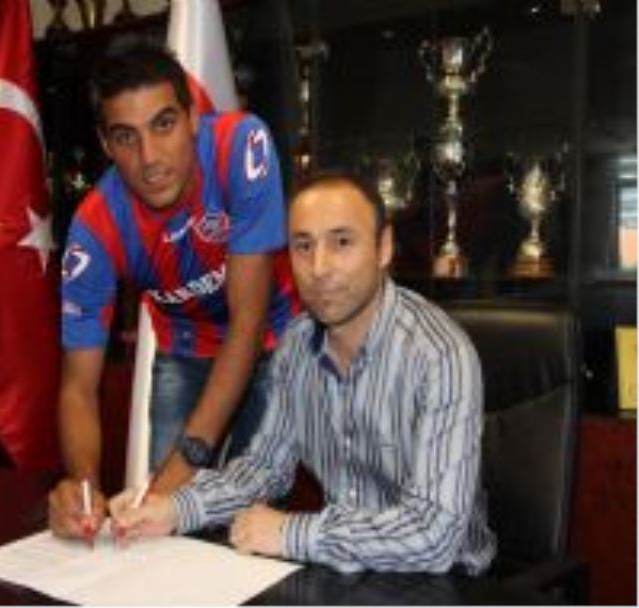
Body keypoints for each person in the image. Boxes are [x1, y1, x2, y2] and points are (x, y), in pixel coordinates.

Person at [110, 170, 497, 574]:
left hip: (447, 583)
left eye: (342, 242)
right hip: (343, 572)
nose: (319, 267)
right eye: (303, 246)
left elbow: (434, 536)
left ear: (383, 247)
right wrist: (174, 508)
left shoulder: (439, 355)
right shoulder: (296, 344)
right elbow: (264, 469)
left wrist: (290, 534)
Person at [48, 39, 299, 540]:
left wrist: (170, 487)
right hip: (185, 345)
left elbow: (247, 325)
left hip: (273, 336)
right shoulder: (94, 228)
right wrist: (84, 490)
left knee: (244, 520)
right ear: (105, 145)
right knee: (163, 534)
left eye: (163, 125)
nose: (149, 159)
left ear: (193, 118)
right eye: (126, 137)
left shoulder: (238, 146)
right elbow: (78, 387)